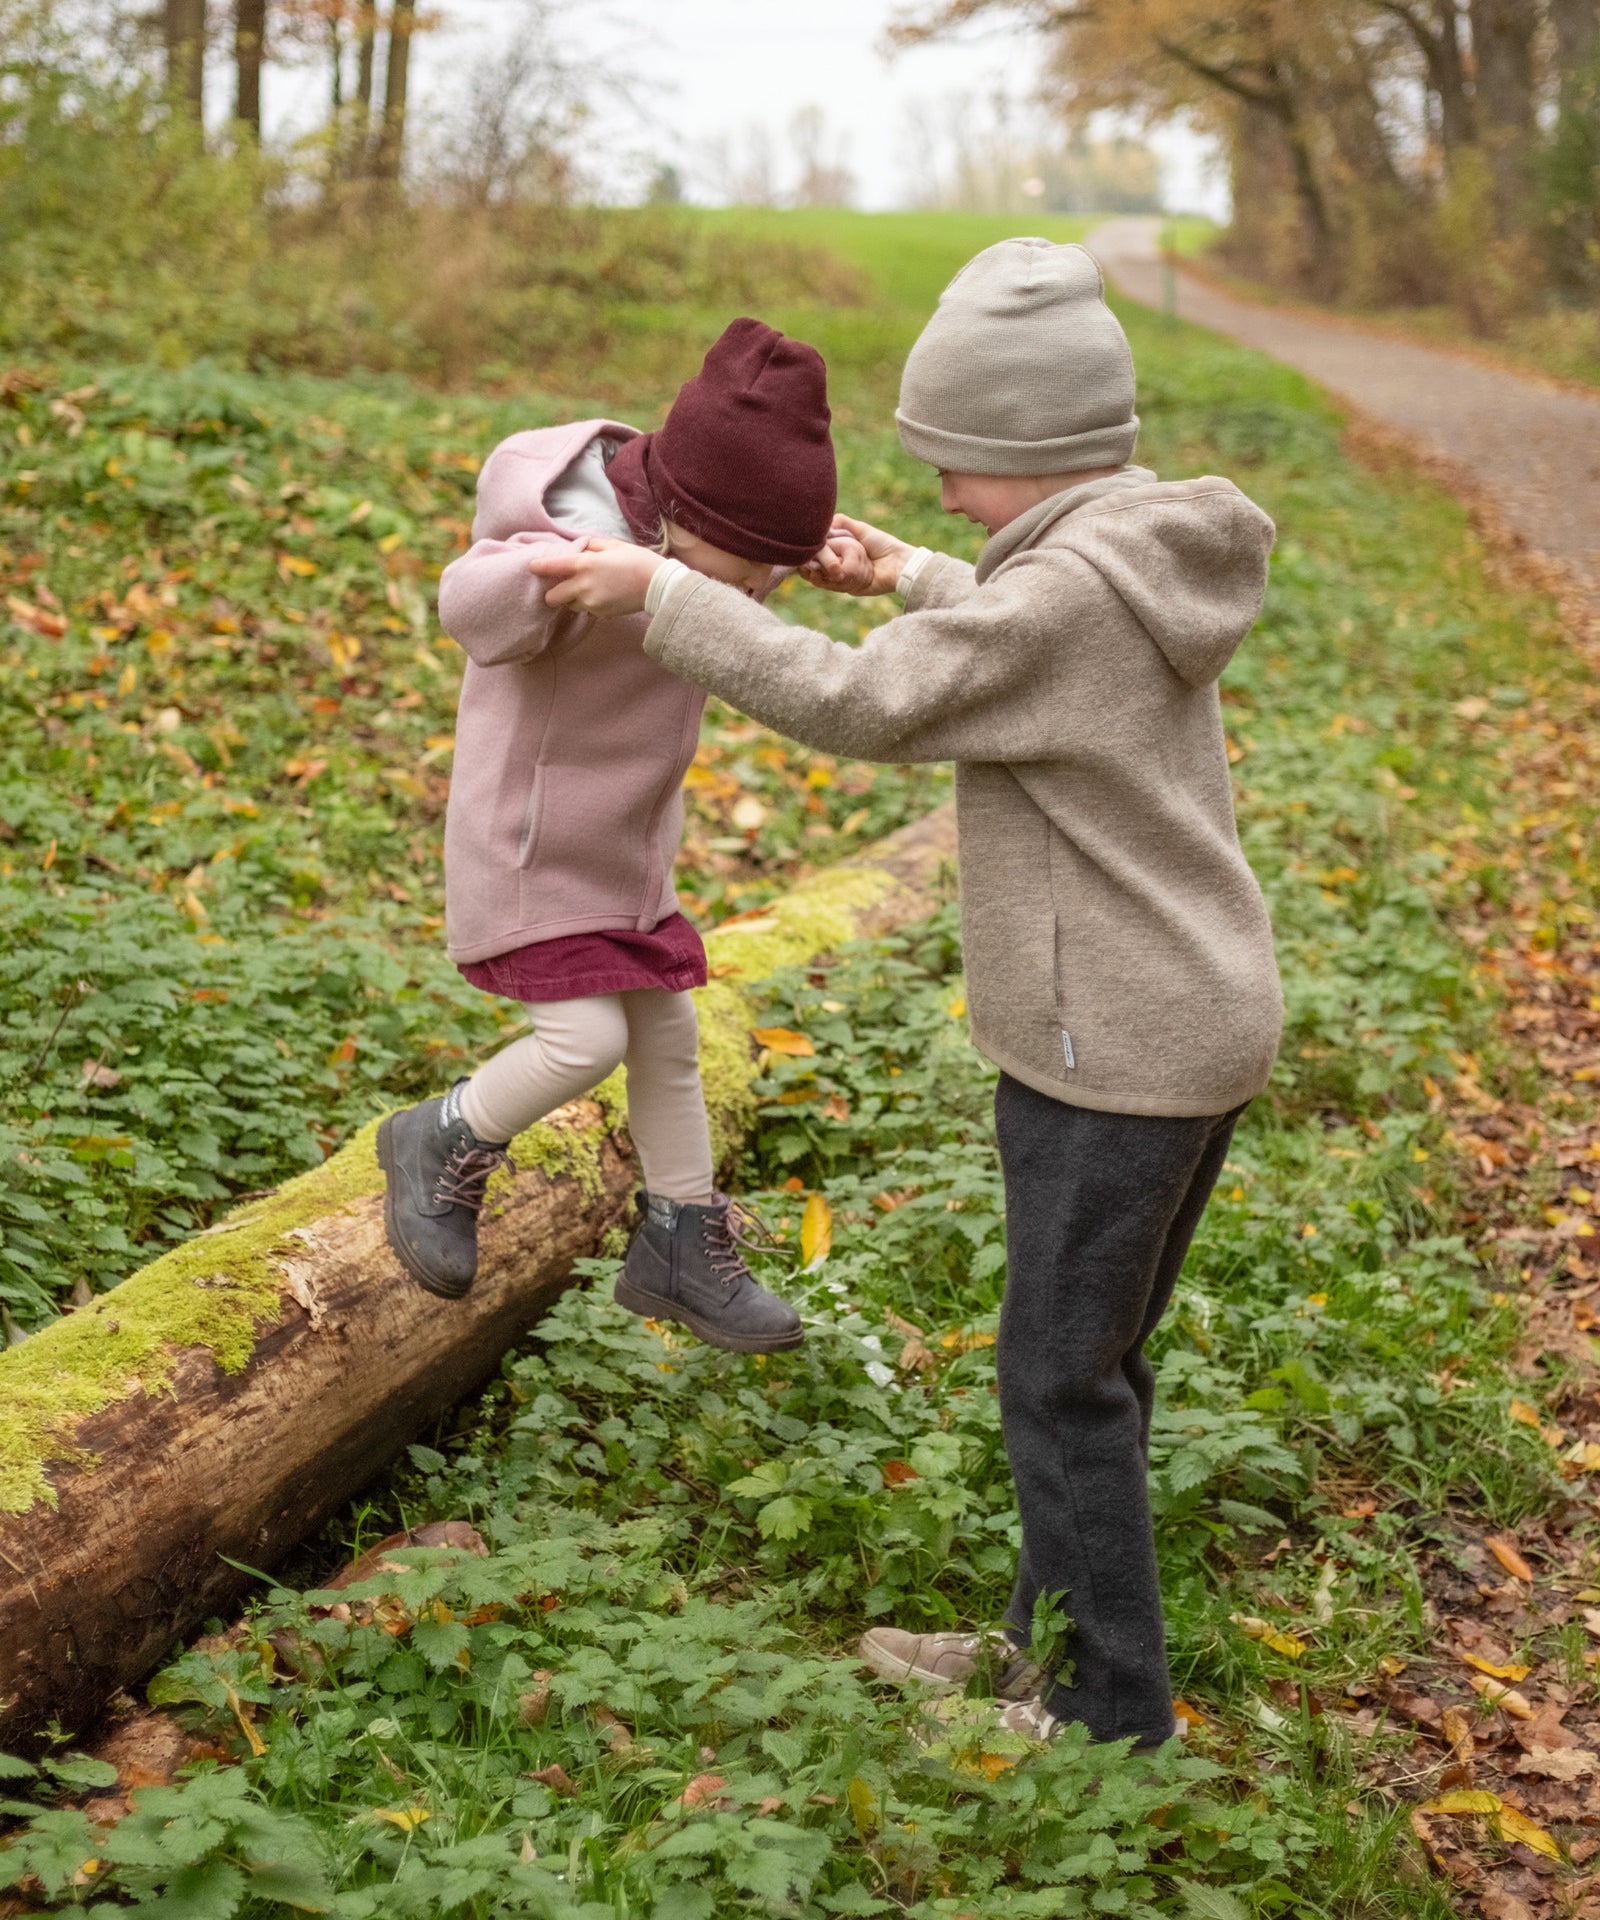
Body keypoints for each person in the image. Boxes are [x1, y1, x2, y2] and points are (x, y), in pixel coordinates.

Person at [522, 239, 1283, 1750]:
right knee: (1087, 1363)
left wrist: (660, 593)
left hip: (1116, 1043)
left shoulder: (1064, 602)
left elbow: (869, 702)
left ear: (1028, 451)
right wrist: (918, 577)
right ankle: (1047, 1649)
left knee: (1061, 1382)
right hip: (1187, 1017)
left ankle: (1104, 1717)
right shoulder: (1135, 545)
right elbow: (1039, 615)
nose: (936, 493)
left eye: (956, 470)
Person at [377, 318, 838, 1357]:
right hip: (528, 847)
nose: (751, 599)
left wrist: (807, 560)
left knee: (666, 1037)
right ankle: (439, 1136)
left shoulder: (697, 548)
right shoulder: (574, 540)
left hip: (627, 858)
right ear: (678, 517)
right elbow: (470, 602)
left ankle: (678, 1239)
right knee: (584, 1041)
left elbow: (741, 580)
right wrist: (552, 570)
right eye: (746, 575)